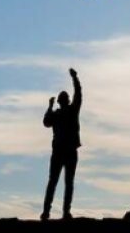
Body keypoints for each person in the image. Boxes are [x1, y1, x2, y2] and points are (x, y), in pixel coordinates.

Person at [42, 68, 83, 220]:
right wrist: (75, 78)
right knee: (62, 182)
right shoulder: (64, 113)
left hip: (65, 151)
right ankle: (52, 212)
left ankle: (54, 212)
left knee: (59, 182)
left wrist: (50, 107)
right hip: (63, 151)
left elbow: (78, 94)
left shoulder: (68, 112)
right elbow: (46, 122)